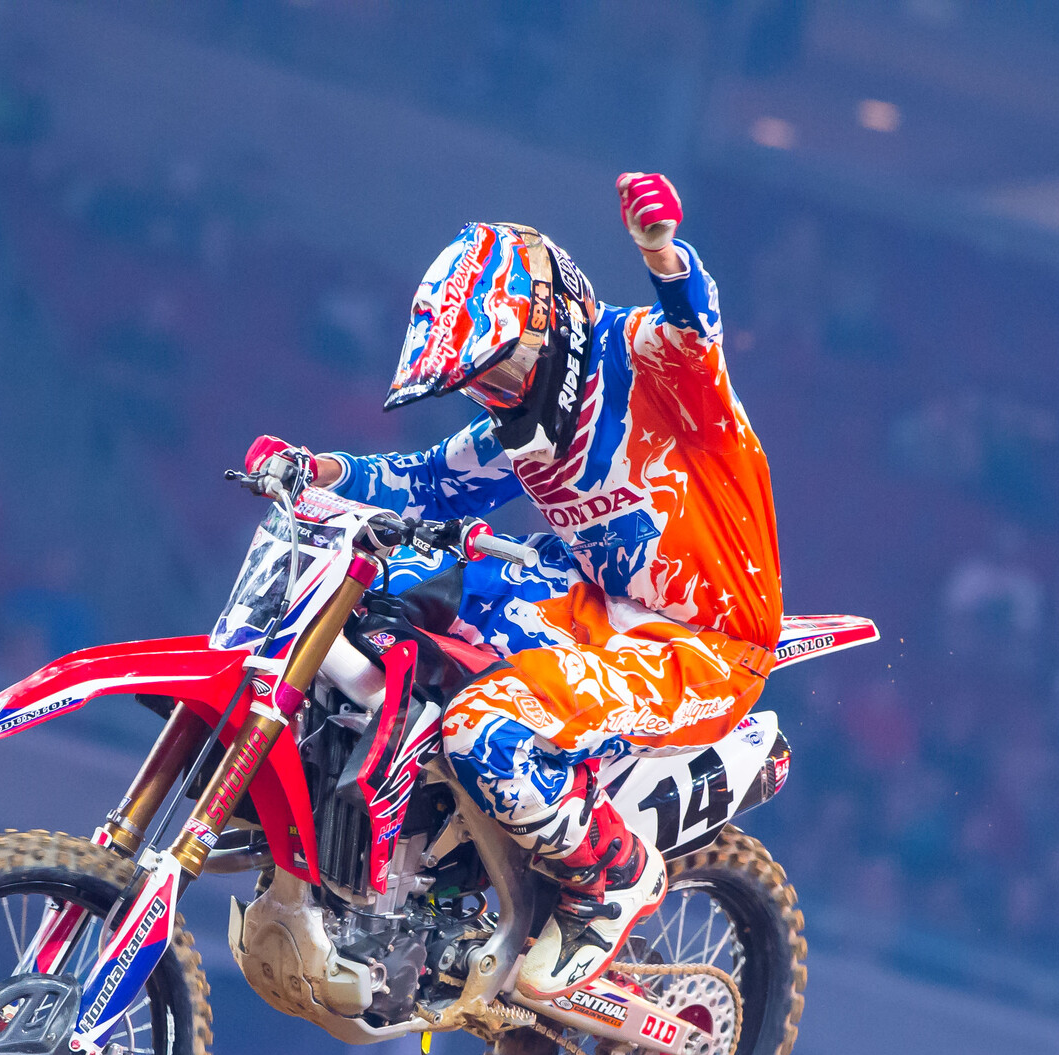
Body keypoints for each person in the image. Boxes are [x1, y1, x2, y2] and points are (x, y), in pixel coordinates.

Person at [249, 172, 782, 998]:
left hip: (699, 641)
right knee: (395, 595)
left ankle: (613, 878)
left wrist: (661, 251)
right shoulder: (522, 431)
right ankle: (416, 854)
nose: (494, 397)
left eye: (498, 373)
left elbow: (695, 326)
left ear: (550, 325)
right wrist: (313, 470)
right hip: (592, 605)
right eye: (480, 384)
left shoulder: (650, 361)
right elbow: (423, 480)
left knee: (483, 730)